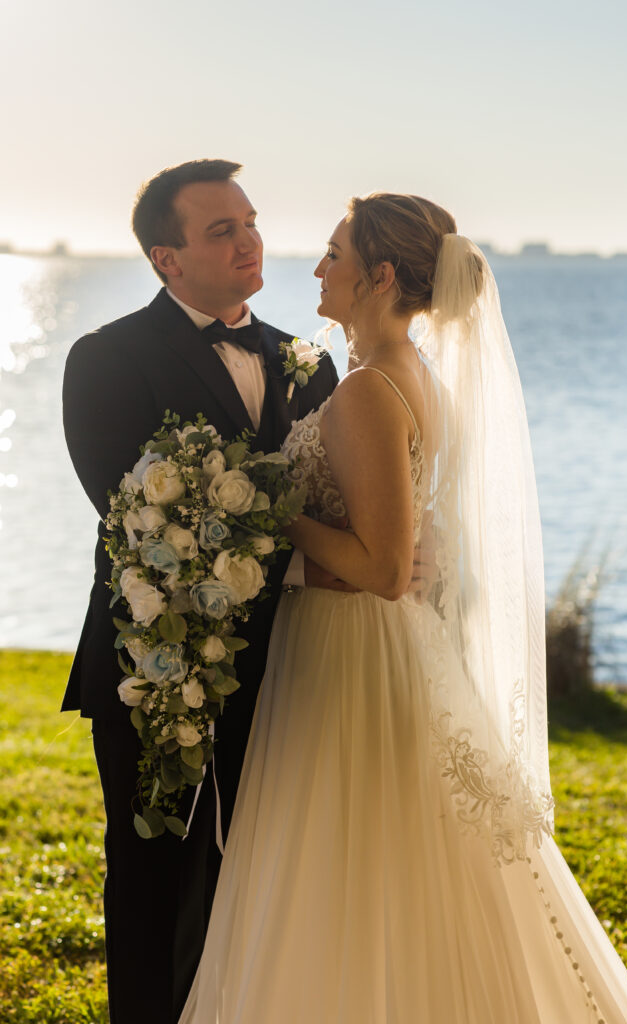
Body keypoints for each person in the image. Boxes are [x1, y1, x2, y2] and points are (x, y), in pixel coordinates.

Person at [179, 193, 627, 1022]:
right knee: (387, 860)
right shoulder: (413, 375)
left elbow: (384, 567)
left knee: (343, 854)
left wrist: (272, 518)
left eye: (334, 253)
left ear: (381, 274)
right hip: (379, 645)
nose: (318, 267)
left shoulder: (369, 389)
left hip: (350, 649)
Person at [61, 159, 339, 1024]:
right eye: (221, 229)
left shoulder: (307, 362)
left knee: (268, 869)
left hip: (295, 665)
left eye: (250, 220)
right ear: (164, 259)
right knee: (152, 868)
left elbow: (332, 502)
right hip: (155, 661)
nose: (249, 238)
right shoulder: (105, 359)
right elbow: (131, 516)